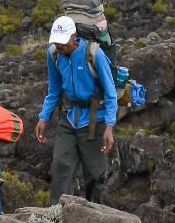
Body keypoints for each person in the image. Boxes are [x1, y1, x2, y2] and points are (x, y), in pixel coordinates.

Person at [37, 14, 118, 203]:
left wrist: (109, 127)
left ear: (74, 36)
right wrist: (44, 118)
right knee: (61, 167)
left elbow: (110, 92)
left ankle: (94, 215)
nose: (59, 46)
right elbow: (54, 90)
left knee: (95, 174)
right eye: (56, 42)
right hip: (69, 119)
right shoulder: (54, 55)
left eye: (63, 41)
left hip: (95, 120)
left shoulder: (94, 54)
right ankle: (57, 218)